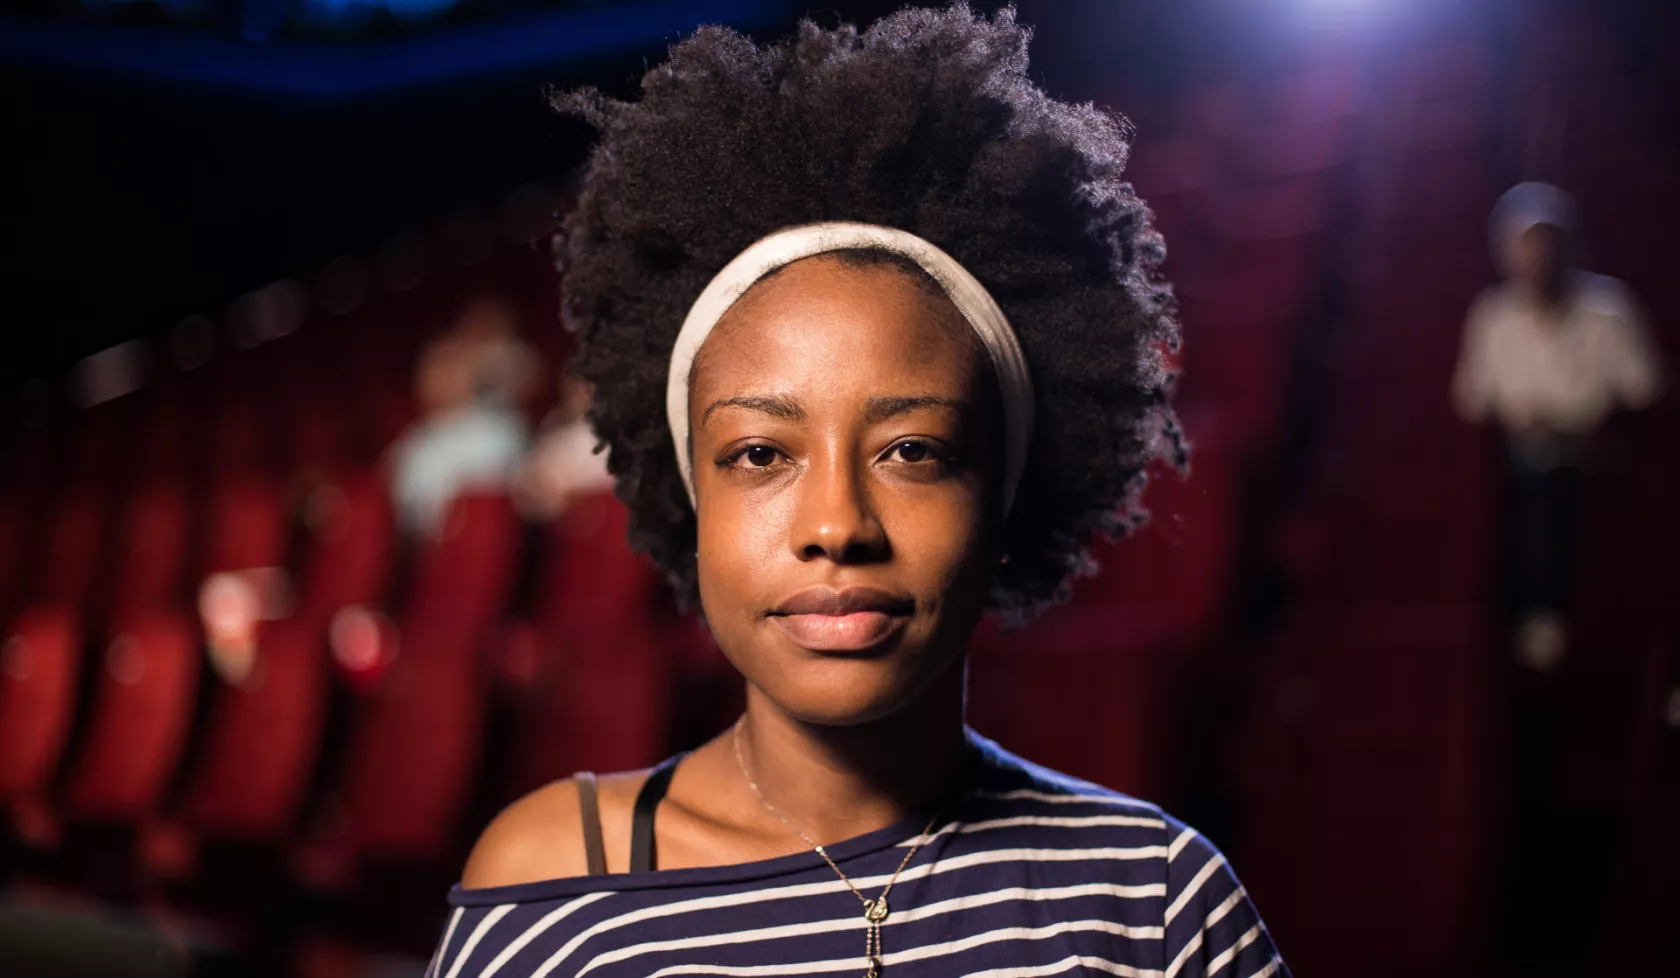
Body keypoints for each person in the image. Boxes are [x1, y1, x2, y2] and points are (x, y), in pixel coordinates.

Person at [431, 7, 1287, 978]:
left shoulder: (1159, 900)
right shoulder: (556, 880)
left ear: (1002, 496)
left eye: (914, 450)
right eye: (759, 455)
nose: (837, 525)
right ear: (691, 498)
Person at [1452, 182, 1664, 671]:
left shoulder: (1608, 308)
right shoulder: (1492, 317)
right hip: (1523, 456)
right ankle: (1535, 620)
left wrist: (1587, 423)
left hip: (1599, 450)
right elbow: (1471, 400)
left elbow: (1644, 390)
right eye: (1523, 247)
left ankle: (1559, 615)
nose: (1535, 259)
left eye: (1545, 245)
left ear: (1568, 245)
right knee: (1529, 475)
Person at [388, 295, 537, 538]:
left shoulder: (499, 431)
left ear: (468, 374)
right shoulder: (416, 437)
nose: (434, 379)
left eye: (447, 368)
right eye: (429, 370)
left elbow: (484, 517)